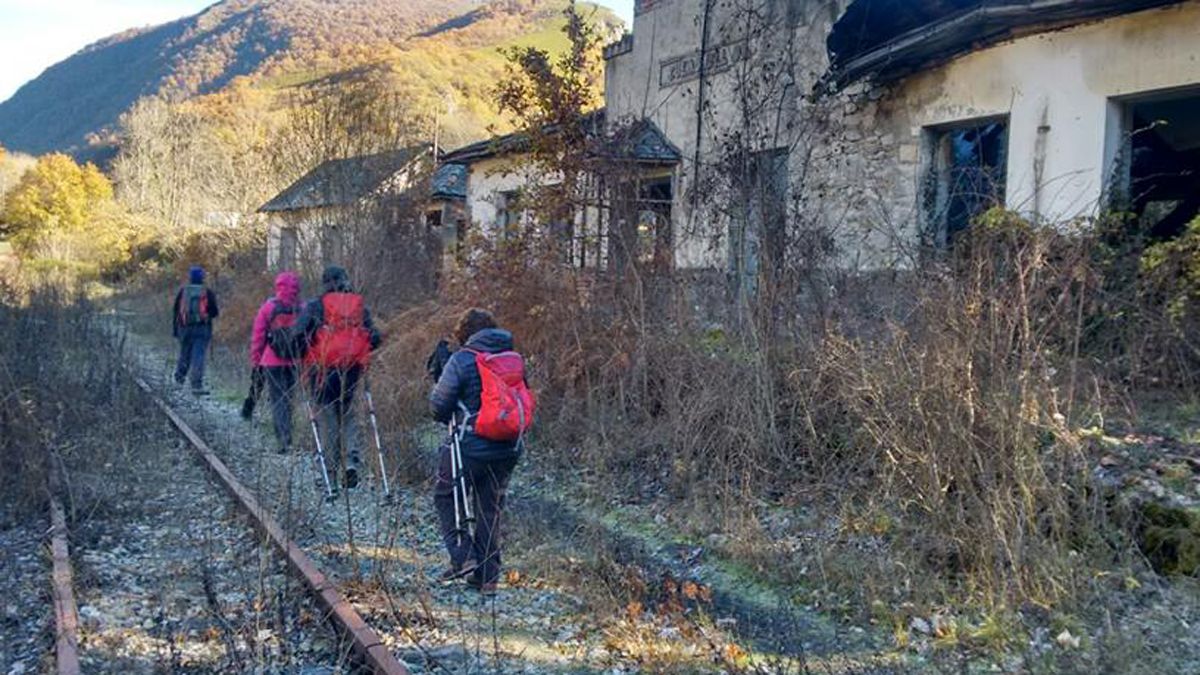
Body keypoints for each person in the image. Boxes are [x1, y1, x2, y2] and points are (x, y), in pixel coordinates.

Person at [429, 308, 528, 596]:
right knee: (490, 507)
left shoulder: (461, 359)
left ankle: (464, 557)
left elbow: (438, 407)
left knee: (446, 496)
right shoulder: (513, 360)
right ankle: (488, 578)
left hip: (468, 443)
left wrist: (438, 382)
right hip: (508, 446)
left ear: (465, 334)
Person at [295, 266, 381, 495]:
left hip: (322, 371)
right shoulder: (358, 307)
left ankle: (330, 476)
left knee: (328, 421)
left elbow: (297, 334)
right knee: (349, 416)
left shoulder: (316, 306)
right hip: (351, 370)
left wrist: (304, 351)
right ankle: (352, 462)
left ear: (325, 283)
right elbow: (376, 337)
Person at [249, 271, 303, 454]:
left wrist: (256, 360)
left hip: (271, 360)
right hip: (294, 360)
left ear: (278, 286)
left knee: (278, 399)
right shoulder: (301, 307)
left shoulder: (269, 307)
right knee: (289, 397)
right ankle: (288, 435)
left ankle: (283, 439)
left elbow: (258, 336)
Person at [172, 265, 219, 395]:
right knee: (198, 356)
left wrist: (176, 330)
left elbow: (176, 311)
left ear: (190, 277)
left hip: (185, 328)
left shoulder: (183, 291)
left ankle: (179, 381)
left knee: (184, 354)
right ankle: (196, 386)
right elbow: (214, 312)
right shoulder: (207, 292)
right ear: (202, 277)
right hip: (202, 329)